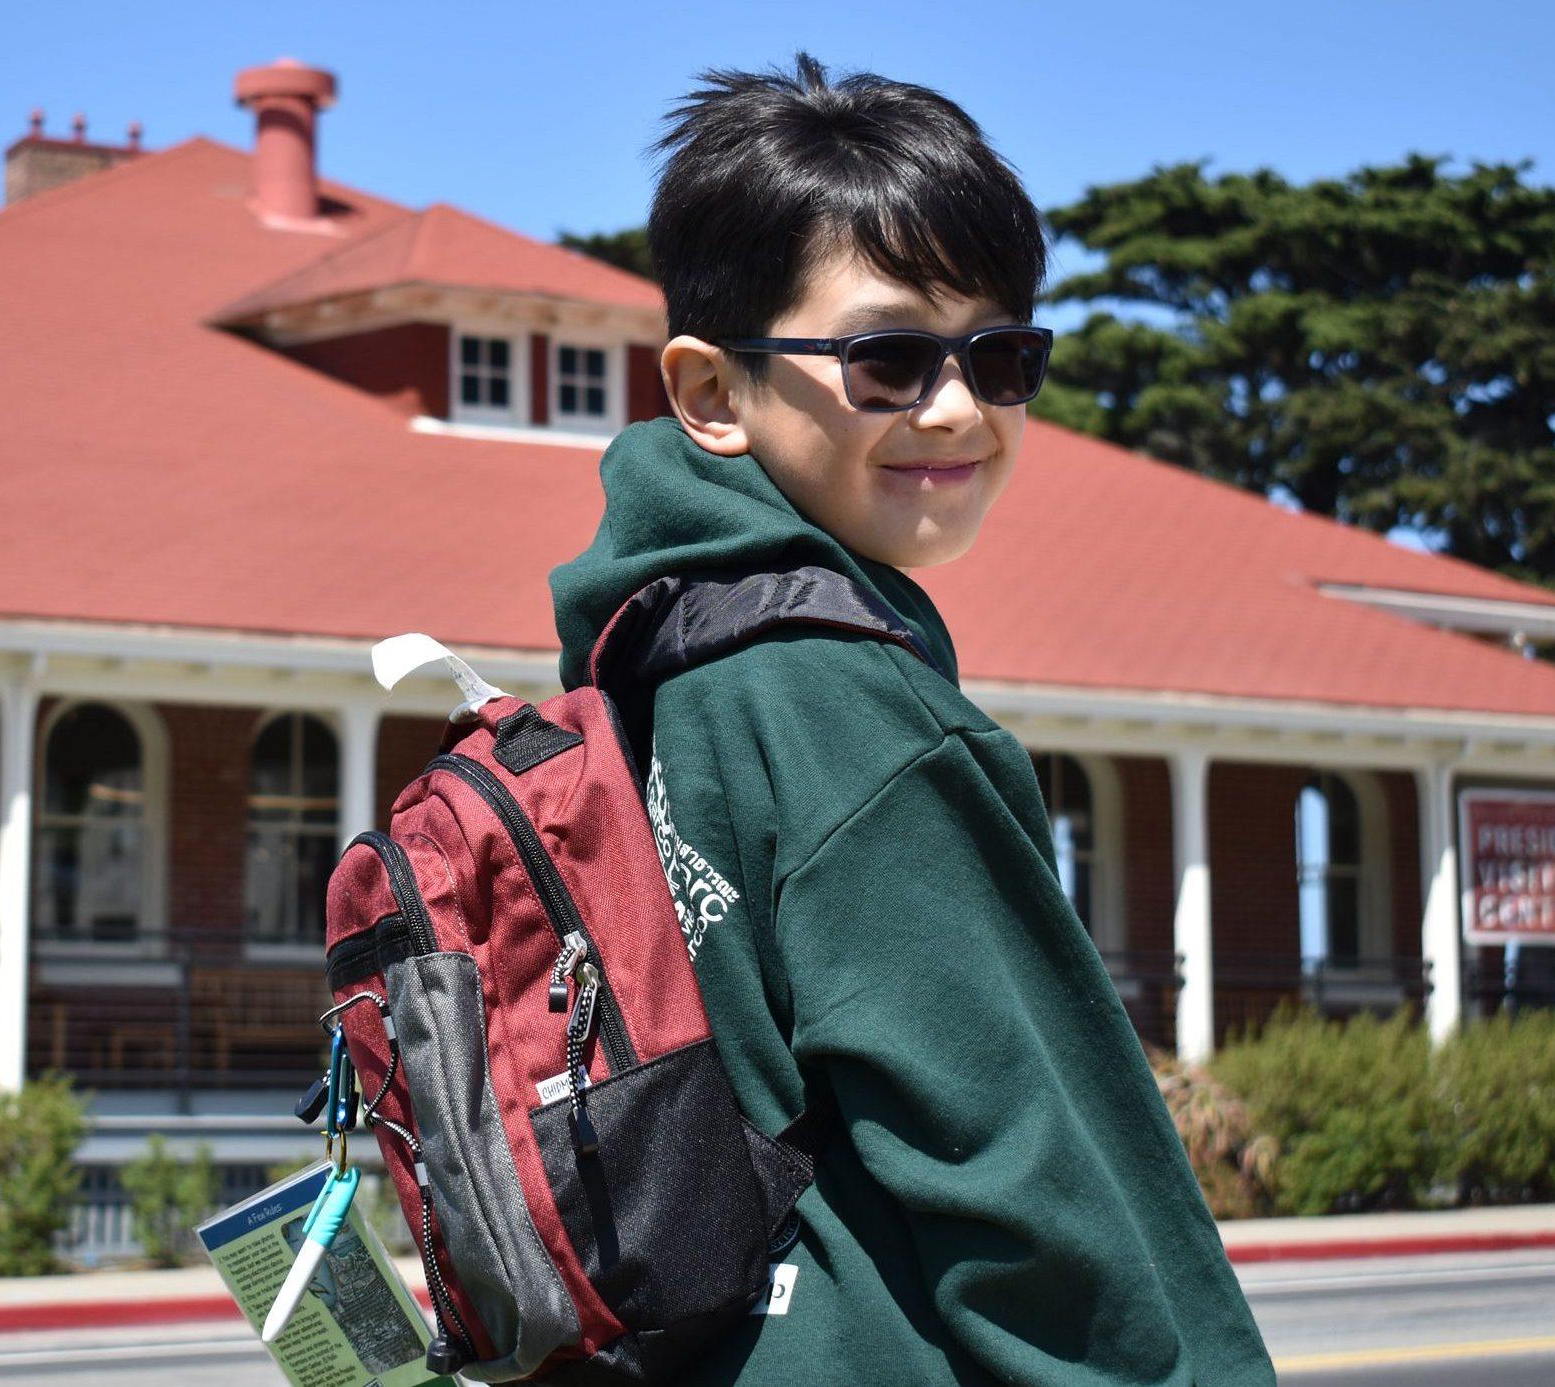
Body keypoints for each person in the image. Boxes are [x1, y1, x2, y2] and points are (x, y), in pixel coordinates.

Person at [547, 53, 1277, 1384]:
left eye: (999, 356)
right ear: (711, 395)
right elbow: (1027, 1189)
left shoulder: (640, 660)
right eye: (886, 358)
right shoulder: (850, 713)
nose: (957, 409)